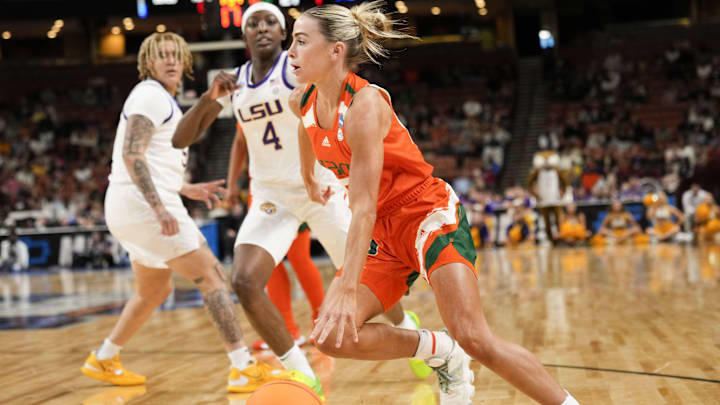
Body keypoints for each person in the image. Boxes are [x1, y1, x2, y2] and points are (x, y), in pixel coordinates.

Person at [287, 3, 579, 404]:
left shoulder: (364, 105)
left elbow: (365, 205)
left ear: (335, 51)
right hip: (383, 234)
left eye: (301, 42)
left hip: (425, 214)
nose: (291, 51)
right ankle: (440, 352)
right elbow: (305, 131)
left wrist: (344, 283)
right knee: (332, 337)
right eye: (293, 42)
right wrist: (308, 178)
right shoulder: (300, 101)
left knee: (474, 336)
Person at [171, 3, 430, 397]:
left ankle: (408, 328)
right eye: (253, 23)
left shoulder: (299, 70)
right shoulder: (235, 82)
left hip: (320, 190)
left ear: (283, 34)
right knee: (243, 280)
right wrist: (210, 98)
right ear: (244, 35)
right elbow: (182, 139)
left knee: (364, 278)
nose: (262, 29)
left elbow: (316, 112)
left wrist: (313, 173)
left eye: (271, 22)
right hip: (272, 196)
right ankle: (300, 370)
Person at [81, 32, 290, 392]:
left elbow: (151, 158)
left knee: (153, 290)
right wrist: (160, 205)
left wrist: (183, 188)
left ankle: (104, 356)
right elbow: (133, 155)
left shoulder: (161, 99)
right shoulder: (150, 94)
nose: (171, 60)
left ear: (186, 61)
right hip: (141, 203)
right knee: (212, 277)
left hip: (129, 203)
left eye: (176, 54)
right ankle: (242, 365)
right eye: (161, 55)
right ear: (148, 62)